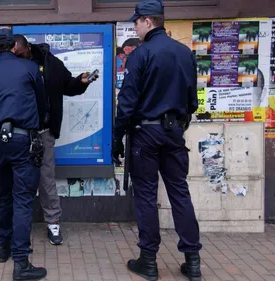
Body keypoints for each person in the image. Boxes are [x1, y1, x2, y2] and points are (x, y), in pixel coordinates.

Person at [112, 1, 202, 280]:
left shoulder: (140, 55)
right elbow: (192, 102)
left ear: (148, 22)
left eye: (136, 22)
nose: (134, 27)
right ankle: (193, 262)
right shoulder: (185, 53)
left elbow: (126, 104)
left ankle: (148, 261)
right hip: (174, 133)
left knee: (147, 196)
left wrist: (116, 138)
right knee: (180, 193)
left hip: (145, 135)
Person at [13, 34, 98, 245]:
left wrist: (81, 82)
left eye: (21, 54)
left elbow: (67, 86)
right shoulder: (11, 65)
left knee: (46, 178)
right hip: (18, 132)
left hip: (43, 131)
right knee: (17, 179)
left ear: (28, 49)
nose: (19, 58)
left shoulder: (50, 62)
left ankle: (53, 223)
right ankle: (16, 228)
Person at [0, 28, 47, 281]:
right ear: (15, 47)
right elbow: (42, 104)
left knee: (4, 196)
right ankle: (21, 263)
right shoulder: (29, 69)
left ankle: (3, 248)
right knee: (22, 201)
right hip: (23, 139)